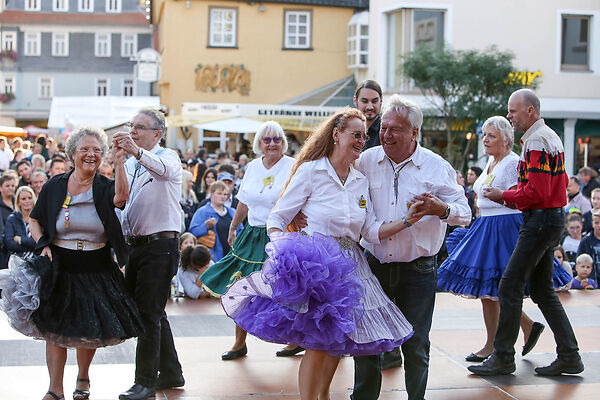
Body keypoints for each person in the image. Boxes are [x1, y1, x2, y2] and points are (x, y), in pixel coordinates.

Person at [222, 107, 419, 400]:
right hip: (315, 267)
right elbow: (276, 218)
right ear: (336, 134)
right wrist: (285, 250)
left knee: (334, 344)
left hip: (351, 269)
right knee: (317, 343)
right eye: (355, 134)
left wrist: (407, 220)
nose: (361, 141)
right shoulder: (312, 171)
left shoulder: (359, 180)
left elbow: (370, 231)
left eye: (364, 136)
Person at [4, 125, 143, 400]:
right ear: (72, 154)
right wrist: (43, 243)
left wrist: (118, 162)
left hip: (96, 264)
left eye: (96, 150)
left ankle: (83, 378)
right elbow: (35, 218)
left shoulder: (105, 185)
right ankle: (55, 389)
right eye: (85, 149)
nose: (91, 154)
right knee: (53, 330)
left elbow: (122, 198)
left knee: (87, 327)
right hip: (60, 265)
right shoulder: (55, 185)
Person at [352, 95, 471, 400]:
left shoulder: (435, 166)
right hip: (373, 265)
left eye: (395, 130)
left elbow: (465, 213)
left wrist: (441, 209)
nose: (386, 134)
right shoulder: (366, 161)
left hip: (418, 270)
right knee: (367, 341)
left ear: (414, 133)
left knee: (416, 344)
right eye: (384, 127)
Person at [437, 116, 571, 363]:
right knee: (490, 289)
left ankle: (504, 344)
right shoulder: (491, 161)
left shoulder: (512, 163)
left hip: (505, 226)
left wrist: (502, 198)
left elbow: (523, 195)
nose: (485, 139)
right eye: (485, 135)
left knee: (499, 286)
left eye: (491, 136)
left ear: (506, 140)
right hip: (486, 225)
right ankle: (508, 337)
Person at [470, 88, 583, 376]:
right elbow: (546, 188)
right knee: (543, 291)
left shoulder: (535, 142)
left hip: (540, 221)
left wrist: (503, 196)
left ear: (530, 111)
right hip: (549, 219)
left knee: (509, 286)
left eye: (513, 110)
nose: (510, 115)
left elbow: (536, 191)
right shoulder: (548, 137)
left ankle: (504, 356)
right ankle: (569, 354)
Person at [199, 121, 296, 360]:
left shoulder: (293, 165)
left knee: (283, 289)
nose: (272, 143)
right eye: (267, 139)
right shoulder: (253, 166)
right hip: (252, 233)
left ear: (283, 142)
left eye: (276, 139)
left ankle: (295, 339)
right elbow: (244, 201)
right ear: (259, 143)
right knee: (242, 287)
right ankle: (239, 343)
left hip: (279, 233)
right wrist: (233, 226)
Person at [113, 108, 185, 400]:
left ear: (158, 133)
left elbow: (163, 170)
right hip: (137, 246)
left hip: (160, 245)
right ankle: (170, 371)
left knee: (148, 315)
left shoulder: (169, 157)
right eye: (131, 126)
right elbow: (122, 202)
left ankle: (144, 381)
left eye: (140, 127)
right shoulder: (131, 163)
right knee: (153, 312)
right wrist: (119, 160)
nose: (133, 131)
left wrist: (134, 152)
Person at [189, 181, 241, 263]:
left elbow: (241, 231)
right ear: (212, 194)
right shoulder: (203, 212)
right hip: (212, 258)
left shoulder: (232, 212)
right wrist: (205, 226)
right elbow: (193, 232)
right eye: (219, 193)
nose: (223, 197)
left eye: (225, 194)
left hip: (232, 256)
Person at [3, 186, 37, 259]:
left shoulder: (40, 218)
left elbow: (41, 242)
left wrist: (21, 240)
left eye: (30, 198)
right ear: (18, 202)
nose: (27, 201)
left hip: (37, 260)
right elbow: (9, 244)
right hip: (18, 261)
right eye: (23, 199)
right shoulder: (12, 219)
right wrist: (33, 246)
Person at [354, 79, 383, 150]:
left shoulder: (386, 131)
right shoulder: (345, 128)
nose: (370, 107)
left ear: (381, 100)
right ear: (355, 101)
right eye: (365, 101)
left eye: (374, 101)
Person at [577, 210, 600, 283]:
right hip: (591, 281)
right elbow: (579, 261)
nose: (599, 225)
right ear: (592, 224)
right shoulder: (586, 241)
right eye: (596, 223)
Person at [0, 173, 16, 269]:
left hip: (18, 249)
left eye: (12, 186)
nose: (10, 188)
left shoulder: (19, 203)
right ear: (1, 188)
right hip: (3, 250)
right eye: (7, 186)